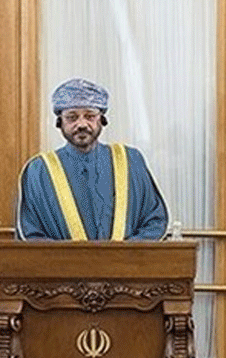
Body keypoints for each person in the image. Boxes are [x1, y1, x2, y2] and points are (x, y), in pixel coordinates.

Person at [17, 78, 168, 241]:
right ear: (59, 122)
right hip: (62, 259)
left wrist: (123, 253)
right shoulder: (38, 170)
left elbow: (155, 222)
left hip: (128, 257)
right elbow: (31, 234)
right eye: (72, 117)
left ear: (102, 119)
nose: (81, 124)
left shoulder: (131, 161)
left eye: (90, 116)